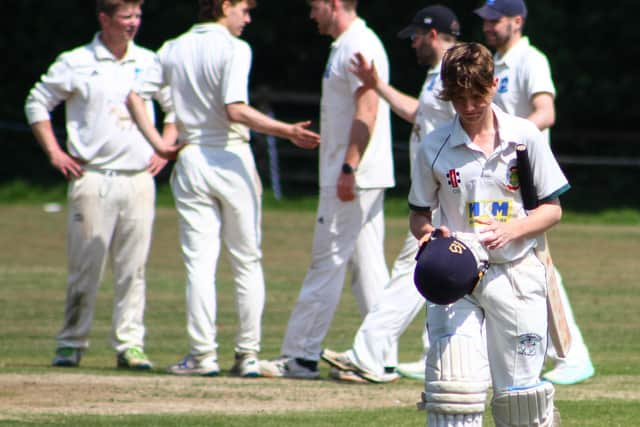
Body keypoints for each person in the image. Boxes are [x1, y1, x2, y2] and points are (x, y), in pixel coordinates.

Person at [126, 0, 320, 377]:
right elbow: (235, 109)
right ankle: (246, 355)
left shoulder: (173, 47)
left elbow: (135, 95)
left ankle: (202, 356)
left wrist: (159, 144)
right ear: (224, 5)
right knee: (246, 260)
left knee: (199, 263)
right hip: (231, 158)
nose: (247, 19)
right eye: (244, 10)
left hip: (193, 157)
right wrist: (287, 131)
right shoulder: (234, 47)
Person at [409, 41, 567, 427]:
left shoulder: (523, 137)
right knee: (453, 392)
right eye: (458, 98)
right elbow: (418, 215)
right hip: (456, 279)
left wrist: (513, 228)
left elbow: (552, 209)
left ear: (493, 84)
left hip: (515, 274)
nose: (467, 107)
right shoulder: (434, 146)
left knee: (521, 403)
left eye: (476, 95)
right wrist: (431, 235)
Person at [24, 0, 175, 370]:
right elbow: (37, 103)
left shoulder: (149, 61)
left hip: (139, 178)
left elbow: (175, 108)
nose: (133, 24)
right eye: (126, 17)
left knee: (134, 268)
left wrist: (164, 149)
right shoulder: (76, 61)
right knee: (85, 265)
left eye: (138, 16)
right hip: (91, 177)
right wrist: (55, 153)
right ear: (104, 18)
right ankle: (71, 342)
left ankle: (130, 345)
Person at [320, 4, 460, 383]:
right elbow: (418, 113)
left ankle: (369, 355)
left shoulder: (456, 72)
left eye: (415, 35)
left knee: (412, 274)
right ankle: (431, 357)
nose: (412, 42)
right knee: (429, 277)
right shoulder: (437, 75)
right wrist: (377, 83)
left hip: (448, 195)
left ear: (432, 34)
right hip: (433, 192)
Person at [258, 0, 394, 379]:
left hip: (353, 175)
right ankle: (379, 357)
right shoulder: (350, 43)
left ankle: (300, 355)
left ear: (335, 4)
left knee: (327, 261)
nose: (311, 13)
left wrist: (348, 167)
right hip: (364, 174)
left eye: (315, 6)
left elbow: (367, 110)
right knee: (368, 268)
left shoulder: (357, 45)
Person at [474, 0, 595, 385]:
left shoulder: (532, 60)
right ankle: (538, 350)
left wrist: (509, 137)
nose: (489, 26)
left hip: (527, 178)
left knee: (539, 263)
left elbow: (546, 112)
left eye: (496, 20)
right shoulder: (493, 62)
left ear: (517, 21)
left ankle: (573, 354)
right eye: (486, 21)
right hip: (498, 180)